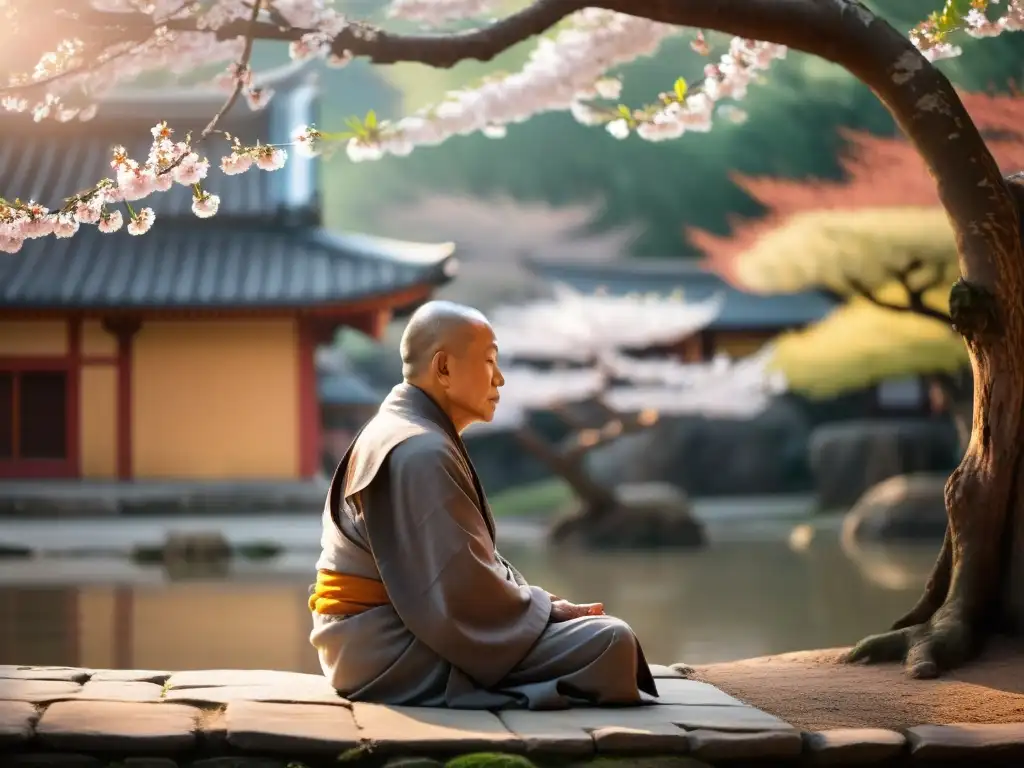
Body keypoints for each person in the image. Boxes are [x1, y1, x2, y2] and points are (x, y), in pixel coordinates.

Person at [308, 300, 658, 709]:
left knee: (600, 636)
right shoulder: (419, 449)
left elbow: (459, 574)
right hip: (385, 651)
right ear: (443, 368)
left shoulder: (409, 432)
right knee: (610, 641)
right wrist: (543, 611)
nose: (501, 379)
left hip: (367, 641)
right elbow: (455, 594)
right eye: (490, 361)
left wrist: (538, 607)